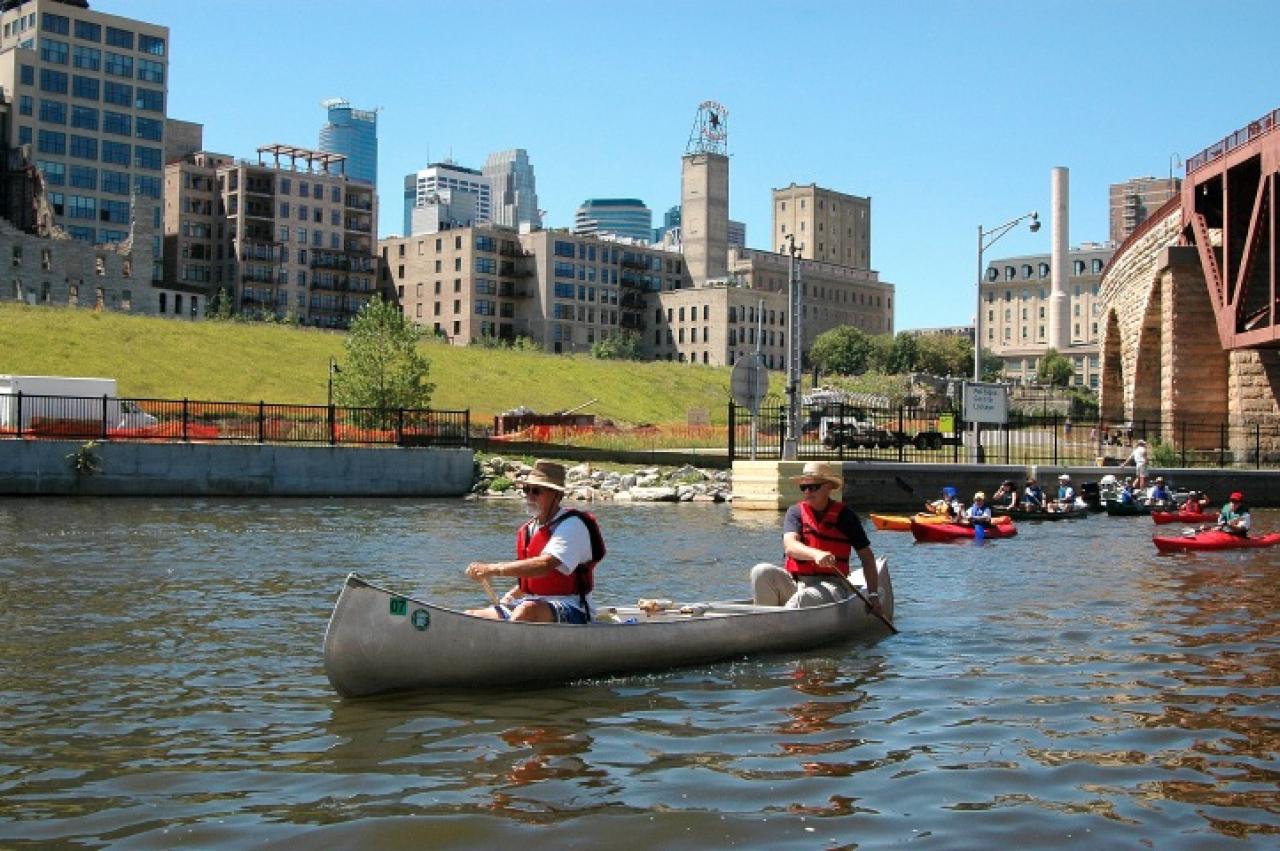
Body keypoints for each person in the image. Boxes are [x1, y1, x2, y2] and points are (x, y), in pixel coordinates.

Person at [465, 459, 606, 623]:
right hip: (532, 603)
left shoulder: (573, 525)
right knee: (473, 616)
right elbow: (535, 580)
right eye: (527, 489)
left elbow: (544, 565)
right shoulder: (528, 530)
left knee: (526, 611)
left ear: (557, 495)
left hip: (575, 607)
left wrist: (492, 569)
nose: (530, 496)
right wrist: (510, 597)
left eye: (536, 491)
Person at [751, 461, 882, 611]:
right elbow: (790, 546)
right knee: (760, 571)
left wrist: (873, 595)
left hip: (833, 585)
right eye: (804, 487)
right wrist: (816, 554)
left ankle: (779, 622)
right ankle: (766, 620)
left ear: (827, 488)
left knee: (803, 599)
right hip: (797, 582)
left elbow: (867, 557)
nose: (807, 492)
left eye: (813, 487)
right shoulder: (795, 512)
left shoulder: (846, 517)